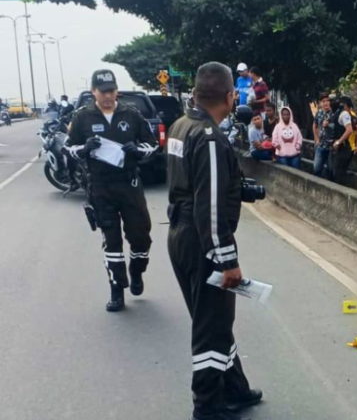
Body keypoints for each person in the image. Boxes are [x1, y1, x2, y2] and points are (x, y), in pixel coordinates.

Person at [166, 61, 262, 420]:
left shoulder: (180, 125)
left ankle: (235, 388)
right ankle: (207, 406)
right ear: (229, 95)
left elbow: (189, 184)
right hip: (201, 239)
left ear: (195, 92)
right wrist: (227, 261)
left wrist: (239, 190)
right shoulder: (208, 136)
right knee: (212, 327)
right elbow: (209, 208)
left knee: (213, 320)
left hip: (179, 234)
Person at [64, 69, 158, 312]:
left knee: (140, 237)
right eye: (103, 91)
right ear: (94, 91)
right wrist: (84, 148)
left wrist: (137, 150)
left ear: (116, 90)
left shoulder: (132, 114)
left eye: (111, 90)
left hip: (129, 185)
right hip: (100, 186)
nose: (108, 95)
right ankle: (117, 289)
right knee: (111, 241)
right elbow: (68, 148)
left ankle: (136, 272)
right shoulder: (82, 117)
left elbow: (153, 145)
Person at [330, 95, 357, 184]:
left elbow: (349, 130)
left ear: (345, 105)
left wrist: (338, 142)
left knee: (338, 174)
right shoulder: (344, 113)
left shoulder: (344, 114)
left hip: (344, 148)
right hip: (344, 147)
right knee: (338, 172)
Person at [312, 92, 335, 179]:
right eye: (323, 101)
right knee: (316, 168)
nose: (326, 103)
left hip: (331, 146)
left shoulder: (334, 113)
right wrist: (317, 139)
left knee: (330, 169)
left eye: (327, 101)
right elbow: (315, 125)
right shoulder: (319, 113)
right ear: (320, 103)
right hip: (321, 144)